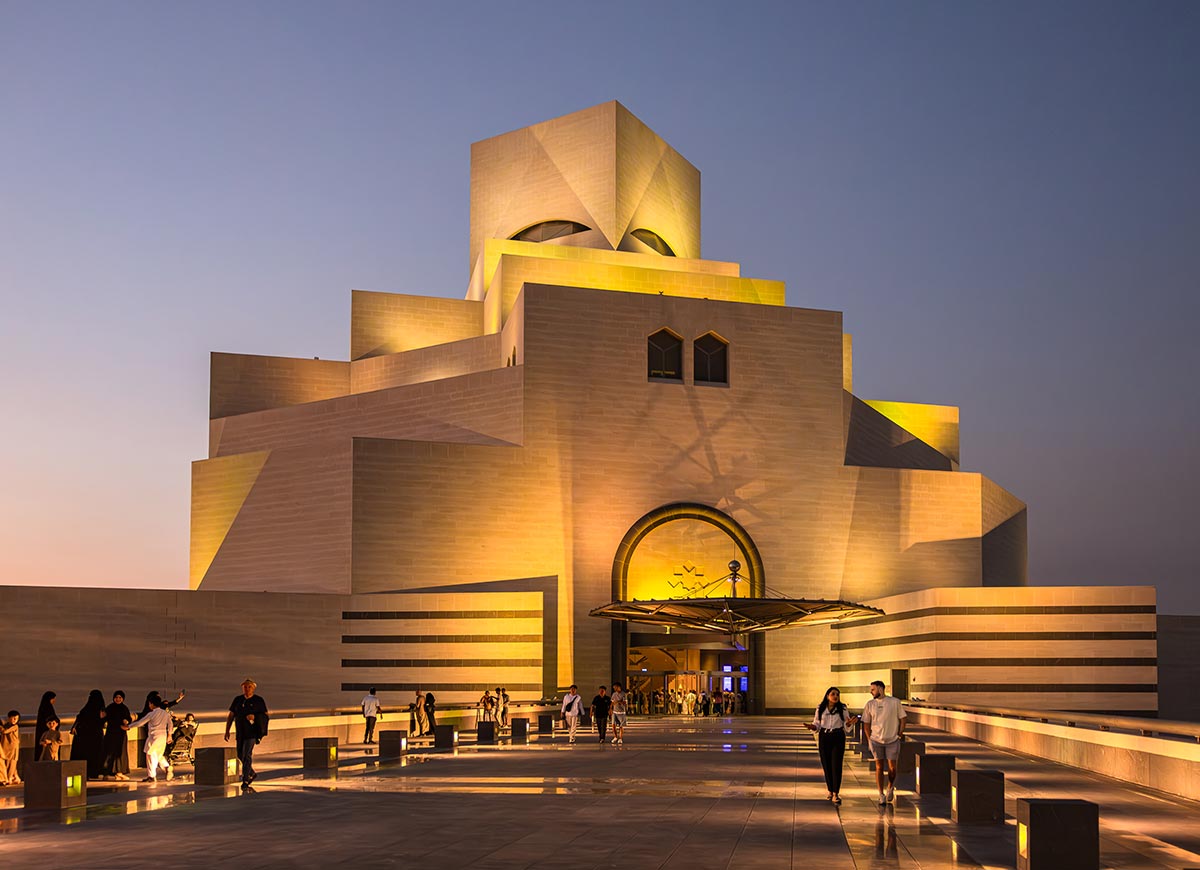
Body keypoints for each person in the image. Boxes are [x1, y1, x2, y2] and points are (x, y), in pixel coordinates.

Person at [805, 686, 858, 804]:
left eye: (837, 695)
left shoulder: (842, 708)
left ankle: (836, 793)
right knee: (826, 764)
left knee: (836, 765)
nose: (835, 697)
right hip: (824, 737)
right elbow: (817, 724)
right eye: (833, 694)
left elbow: (846, 725)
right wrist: (812, 727)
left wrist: (849, 723)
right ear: (827, 695)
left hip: (838, 736)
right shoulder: (820, 708)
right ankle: (830, 790)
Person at [861, 679, 906, 805]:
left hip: (892, 740)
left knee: (892, 767)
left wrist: (899, 734)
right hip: (876, 740)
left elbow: (903, 718)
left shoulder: (895, 702)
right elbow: (866, 723)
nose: (871, 692)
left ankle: (890, 787)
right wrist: (869, 739)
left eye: (873, 689)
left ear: (880, 689)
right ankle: (881, 794)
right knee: (879, 767)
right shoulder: (870, 704)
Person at [225, 678, 269, 789]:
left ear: (253, 688)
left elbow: (266, 716)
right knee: (240, 755)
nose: (247, 689)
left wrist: (255, 717)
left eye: (249, 687)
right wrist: (227, 730)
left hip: (252, 733)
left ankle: (245, 779)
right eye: (245, 687)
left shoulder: (259, 700)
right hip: (240, 732)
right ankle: (252, 773)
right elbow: (231, 715)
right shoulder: (238, 700)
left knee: (247, 755)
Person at [124, 695, 173, 783]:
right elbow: (170, 724)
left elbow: (140, 722)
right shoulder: (165, 713)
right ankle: (166, 767)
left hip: (154, 736)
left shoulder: (151, 714)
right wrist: (169, 735)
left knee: (150, 755)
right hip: (163, 736)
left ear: (151, 704)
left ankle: (152, 776)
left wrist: (129, 727)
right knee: (158, 755)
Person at [69, 689, 107, 779]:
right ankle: (93, 772)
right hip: (95, 736)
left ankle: (84, 772)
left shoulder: (86, 709)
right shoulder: (100, 710)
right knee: (94, 755)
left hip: (83, 736)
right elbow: (101, 722)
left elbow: (80, 718)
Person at [102, 690, 133, 780]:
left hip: (121, 734)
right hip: (111, 733)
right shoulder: (110, 708)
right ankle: (106, 773)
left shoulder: (124, 708)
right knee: (109, 752)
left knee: (120, 753)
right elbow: (105, 718)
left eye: (120, 698)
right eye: (116, 697)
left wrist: (127, 721)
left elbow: (129, 718)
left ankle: (119, 772)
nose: (118, 699)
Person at [33, 691, 56, 761]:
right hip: (48, 736)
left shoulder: (43, 707)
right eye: (53, 699)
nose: (54, 701)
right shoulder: (48, 708)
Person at [0, 710, 20, 787]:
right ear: (9, 718)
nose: (14, 720)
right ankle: (13, 777)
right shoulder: (5, 725)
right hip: (5, 747)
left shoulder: (15, 726)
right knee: (6, 763)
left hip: (12, 748)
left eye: (16, 719)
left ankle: (9, 778)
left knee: (12, 763)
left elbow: (5, 731)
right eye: (13, 718)